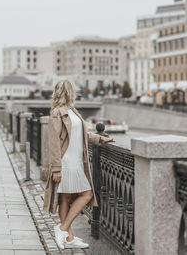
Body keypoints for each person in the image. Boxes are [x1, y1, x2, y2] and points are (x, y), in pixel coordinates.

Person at [43, 79, 115, 250]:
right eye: (73, 90)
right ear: (69, 92)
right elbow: (53, 143)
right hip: (66, 163)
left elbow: (84, 135)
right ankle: (62, 229)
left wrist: (100, 138)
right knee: (87, 194)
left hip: (76, 161)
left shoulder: (73, 111)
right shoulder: (57, 113)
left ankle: (69, 238)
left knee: (66, 198)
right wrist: (56, 168)